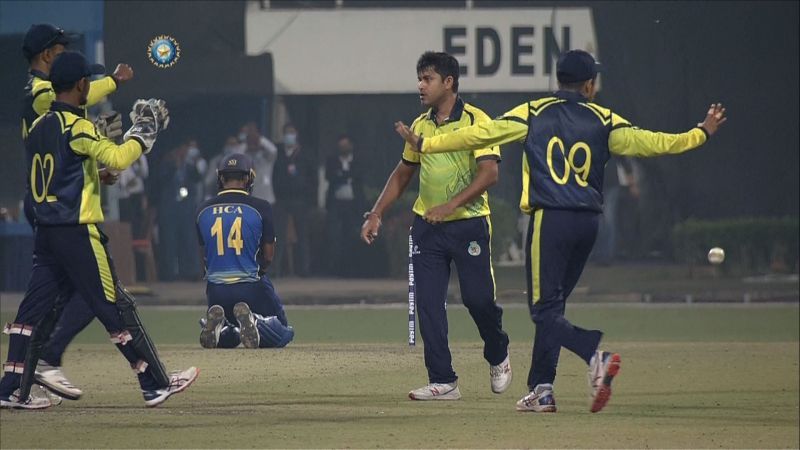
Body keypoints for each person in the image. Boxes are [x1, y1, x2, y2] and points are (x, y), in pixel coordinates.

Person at [396, 49, 727, 413]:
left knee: (543, 311)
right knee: (553, 307)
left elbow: (479, 135)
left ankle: (593, 353)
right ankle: (542, 389)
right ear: (589, 85)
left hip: (550, 220)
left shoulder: (532, 112)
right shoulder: (604, 118)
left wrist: (428, 143)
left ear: (559, 81)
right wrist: (700, 134)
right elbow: (653, 142)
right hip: (588, 224)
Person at [0, 51, 198, 409]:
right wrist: (143, 133)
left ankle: (12, 389)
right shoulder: (78, 127)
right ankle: (153, 383)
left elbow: (56, 173)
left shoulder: (40, 125)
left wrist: (95, 177)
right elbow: (119, 157)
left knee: (31, 312)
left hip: (46, 234)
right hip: (78, 233)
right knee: (113, 306)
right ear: (81, 85)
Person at [362, 52, 511, 401]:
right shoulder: (420, 126)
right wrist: (376, 213)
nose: (420, 85)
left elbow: (490, 173)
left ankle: (498, 353)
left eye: (427, 78)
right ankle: (444, 380)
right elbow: (402, 175)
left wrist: (451, 205)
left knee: (478, 301)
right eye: (419, 78)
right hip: (427, 228)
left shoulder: (477, 120)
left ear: (449, 82)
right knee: (428, 304)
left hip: (469, 224)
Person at [16, 23, 134, 405]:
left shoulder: (45, 99)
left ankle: (27, 376)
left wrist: (94, 173)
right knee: (93, 292)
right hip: (59, 210)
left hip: (54, 198)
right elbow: (74, 99)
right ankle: (46, 360)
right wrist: (113, 82)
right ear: (48, 55)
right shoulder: (40, 94)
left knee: (49, 298)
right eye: (62, 51)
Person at [195, 153, 294, 349]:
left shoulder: (202, 210)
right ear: (249, 178)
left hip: (216, 290)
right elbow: (268, 255)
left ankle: (221, 328)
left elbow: (203, 256)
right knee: (285, 332)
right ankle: (256, 321)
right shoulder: (261, 207)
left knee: (232, 337)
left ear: (221, 178)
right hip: (251, 286)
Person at [272, 123, 313, 277]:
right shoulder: (278, 154)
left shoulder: (304, 154)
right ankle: (276, 269)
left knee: (302, 235)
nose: (289, 135)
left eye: (292, 132)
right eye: (286, 133)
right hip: (282, 199)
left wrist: (308, 194)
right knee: (279, 235)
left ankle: (304, 270)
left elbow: (312, 176)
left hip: (300, 199)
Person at [325, 134, 366, 276]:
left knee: (352, 235)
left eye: (345, 145)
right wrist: (346, 175)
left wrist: (343, 175)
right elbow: (331, 177)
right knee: (334, 236)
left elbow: (358, 175)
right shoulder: (332, 161)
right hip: (336, 204)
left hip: (353, 204)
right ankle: (333, 269)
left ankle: (351, 269)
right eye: (341, 146)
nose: (343, 148)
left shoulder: (358, 161)